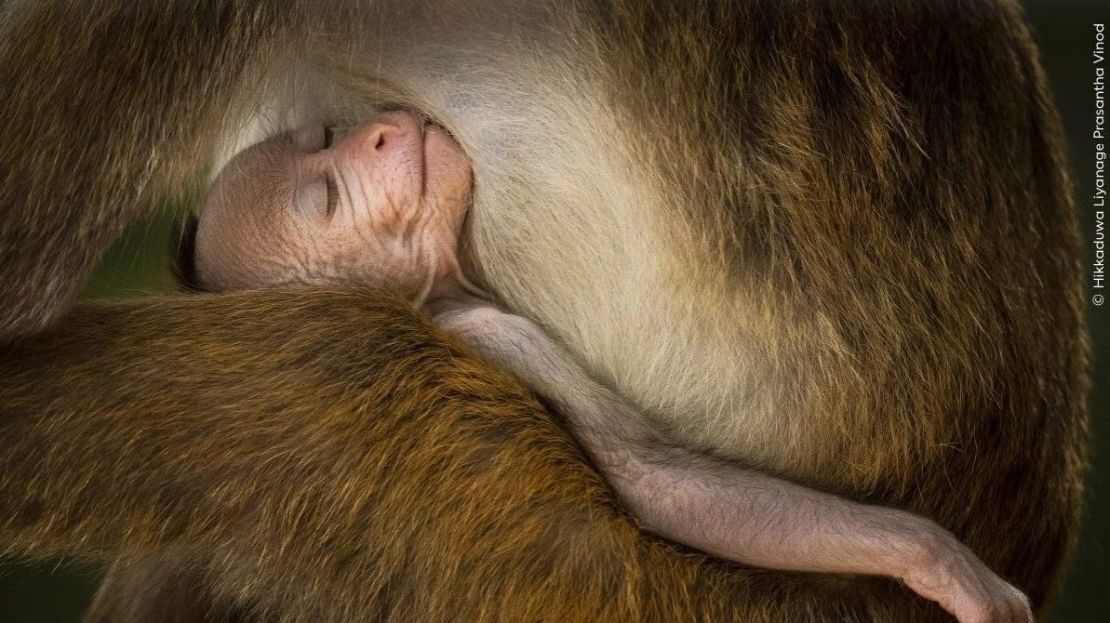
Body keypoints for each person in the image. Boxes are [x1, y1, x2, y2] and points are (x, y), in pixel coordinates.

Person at [180, 109, 1032, 623]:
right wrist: (919, 552)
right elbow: (656, 484)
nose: (368, 136)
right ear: (356, 322)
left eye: (322, 137)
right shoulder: (476, 343)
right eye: (328, 199)